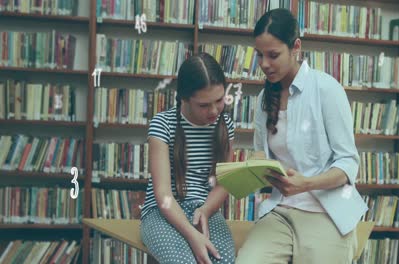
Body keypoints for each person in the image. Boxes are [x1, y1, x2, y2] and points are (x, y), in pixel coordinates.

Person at [235, 9, 368, 264]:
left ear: (296, 47)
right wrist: (251, 167)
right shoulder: (264, 99)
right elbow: (261, 151)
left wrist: (306, 183)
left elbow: (348, 164)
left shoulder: (327, 90)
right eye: (260, 55)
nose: (264, 64)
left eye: (273, 55)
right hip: (280, 211)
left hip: (326, 212)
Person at [140, 53, 236, 264]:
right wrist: (193, 236)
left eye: (219, 100)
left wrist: (205, 210)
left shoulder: (226, 126)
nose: (213, 111)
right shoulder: (162, 125)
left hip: (205, 210)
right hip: (163, 213)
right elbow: (163, 195)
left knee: (225, 260)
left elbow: (224, 183)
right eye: (203, 105)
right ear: (184, 98)